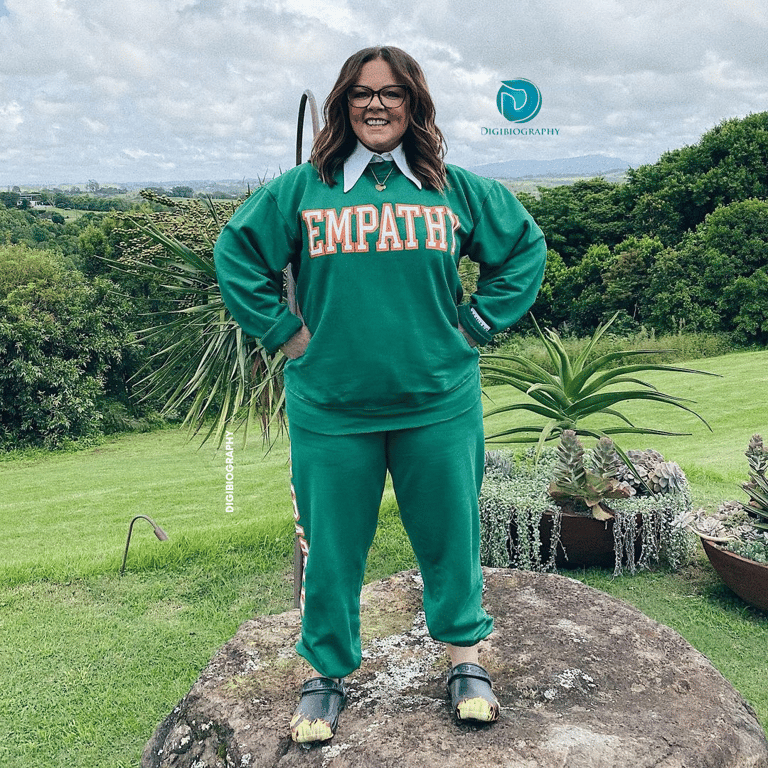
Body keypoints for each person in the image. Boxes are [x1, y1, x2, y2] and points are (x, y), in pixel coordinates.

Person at [213, 45, 546, 744]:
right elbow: (237, 252)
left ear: (413, 104)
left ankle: (465, 662)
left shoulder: (452, 189)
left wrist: (479, 321)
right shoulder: (306, 189)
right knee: (332, 550)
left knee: (452, 538)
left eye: (391, 93)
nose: (375, 105)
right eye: (361, 93)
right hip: (332, 410)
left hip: (438, 403)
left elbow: (523, 246)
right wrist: (283, 330)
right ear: (342, 105)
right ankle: (325, 674)